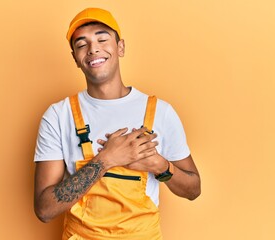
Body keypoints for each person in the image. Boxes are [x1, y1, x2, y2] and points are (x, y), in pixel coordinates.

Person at [33, 7, 201, 240]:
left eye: (102, 38)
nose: (93, 49)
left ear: (120, 47)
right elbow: (44, 209)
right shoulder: (58, 116)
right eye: (82, 45)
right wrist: (106, 160)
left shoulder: (160, 112)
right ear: (75, 58)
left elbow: (194, 189)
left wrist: (160, 165)